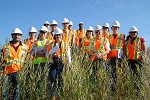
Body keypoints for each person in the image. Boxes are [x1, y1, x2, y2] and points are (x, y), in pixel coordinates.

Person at [1, 28, 28, 100]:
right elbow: (1, 59)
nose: (17, 36)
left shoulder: (25, 47)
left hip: (19, 71)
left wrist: (26, 71)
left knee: (17, 91)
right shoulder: (5, 46)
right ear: (12, 36)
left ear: (21, 36)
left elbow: (27, 59)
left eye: (19, 35)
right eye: (15, 35)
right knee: (5, 92)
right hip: (7, 72)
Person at [47, 28, 71, 100]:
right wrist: (52, 54)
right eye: (57, 36)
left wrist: (69, 64)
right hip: (53, 64)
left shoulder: (66, 44)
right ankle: (53, 96)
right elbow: (47, 54)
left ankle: (61, 95)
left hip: (62, 64)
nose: (58, 37)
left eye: (60, 36)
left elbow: (68, 55)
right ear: (54, 37)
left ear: (62, 36)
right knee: (53, 78)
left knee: (61, 79)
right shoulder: (51, 44)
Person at [107, 21, 125, 87]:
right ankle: (113, 85)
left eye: (116, 27)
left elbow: (124, 46)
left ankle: (119, 85)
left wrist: (124, 54)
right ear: (111, 28)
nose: (115, 29)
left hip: (119, 56)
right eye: (114, 27)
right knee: (112, 71)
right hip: (111, 56)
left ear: (118, 28)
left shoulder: (122, 36)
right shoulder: (109, 36)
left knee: (119, 71)